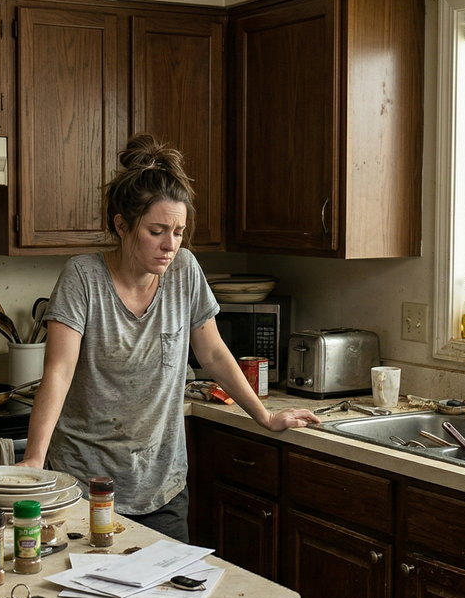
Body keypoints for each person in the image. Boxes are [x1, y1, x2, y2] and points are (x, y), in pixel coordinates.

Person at [18, 134, 321, 542]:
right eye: (157, 231)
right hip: (84, 486)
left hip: (162, 488)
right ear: (122, 225)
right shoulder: (83, 277)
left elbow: (212, 352)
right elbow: (59, 370)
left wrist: (264, 417)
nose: (170, 245)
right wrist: (34, 460)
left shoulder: (185, 272)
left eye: (178, 232)